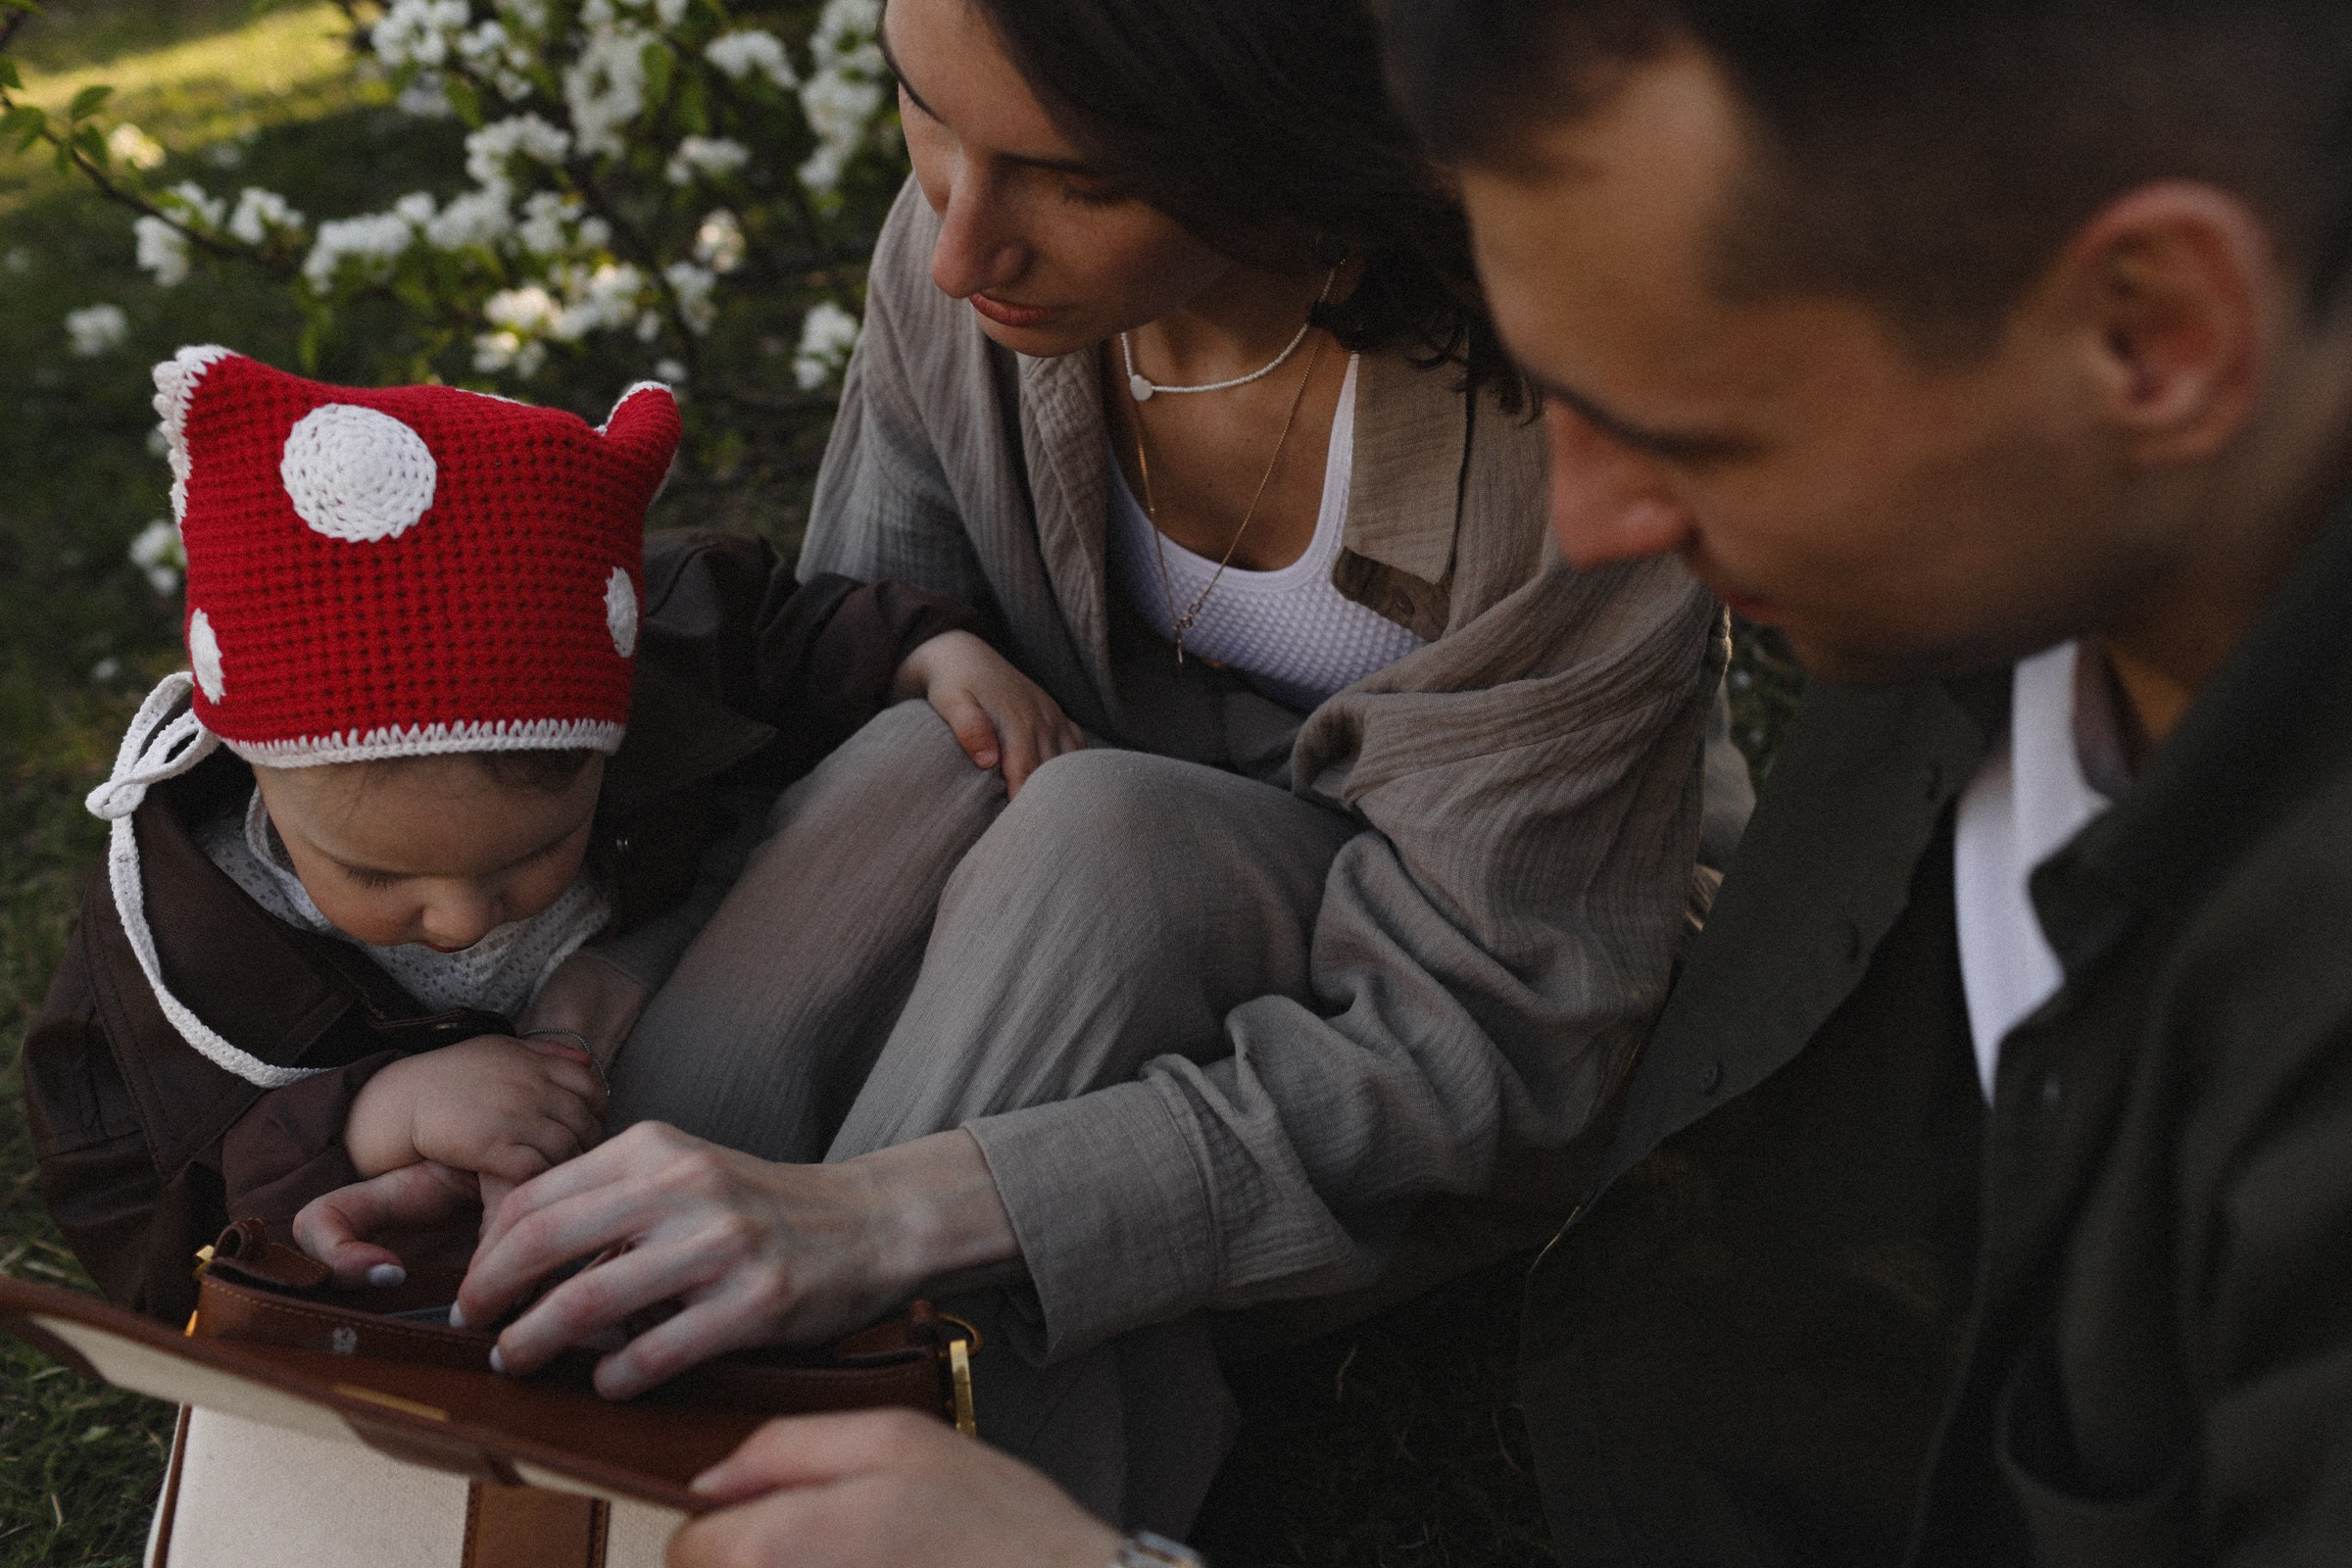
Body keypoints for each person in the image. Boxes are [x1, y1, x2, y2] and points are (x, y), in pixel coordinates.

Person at [653, 0, 2352, 1562]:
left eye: (1687, 423)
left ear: (2156, 331)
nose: (1600, 522)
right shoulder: (1970, 706)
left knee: (1107, 839)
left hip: (1343, 1017)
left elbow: (1506, 1026)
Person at [413, 0, 1745, 1533]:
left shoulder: (1570, 404)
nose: (957, 250)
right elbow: (849, 705)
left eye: (1081, 180)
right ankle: (556, 1275)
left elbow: (1491, 1034)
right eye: (922, 112)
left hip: (1403, 1018)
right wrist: (598, 1032)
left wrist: (878, 1215)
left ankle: (852, 1426)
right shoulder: (966, 290)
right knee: (934, 735)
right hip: (1032, 957)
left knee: (1110, 830)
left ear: (1295, 138)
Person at [23, 347, 1060, 1322]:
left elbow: (761, 632)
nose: (463, 913)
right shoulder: (191, 936)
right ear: (254, 766)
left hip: (680, 1067)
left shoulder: (625, 667)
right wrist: (369, 1117)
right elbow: (136, 1199)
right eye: (380, 872)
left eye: (529, 856)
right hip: (454, 1273)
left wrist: (928, 647)